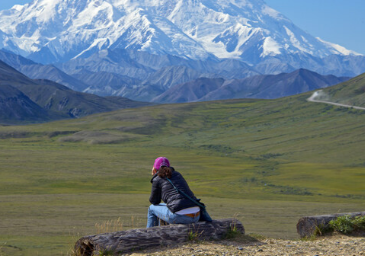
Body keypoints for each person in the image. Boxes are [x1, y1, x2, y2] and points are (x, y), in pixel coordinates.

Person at [147, 157, 201, 228]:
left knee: (151, 208)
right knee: (168, 206)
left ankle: (150, 234)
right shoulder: (177, 174)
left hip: (180, 217)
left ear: (154, 169)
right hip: (196, 215)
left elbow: (154, 201)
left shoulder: (157, 179)